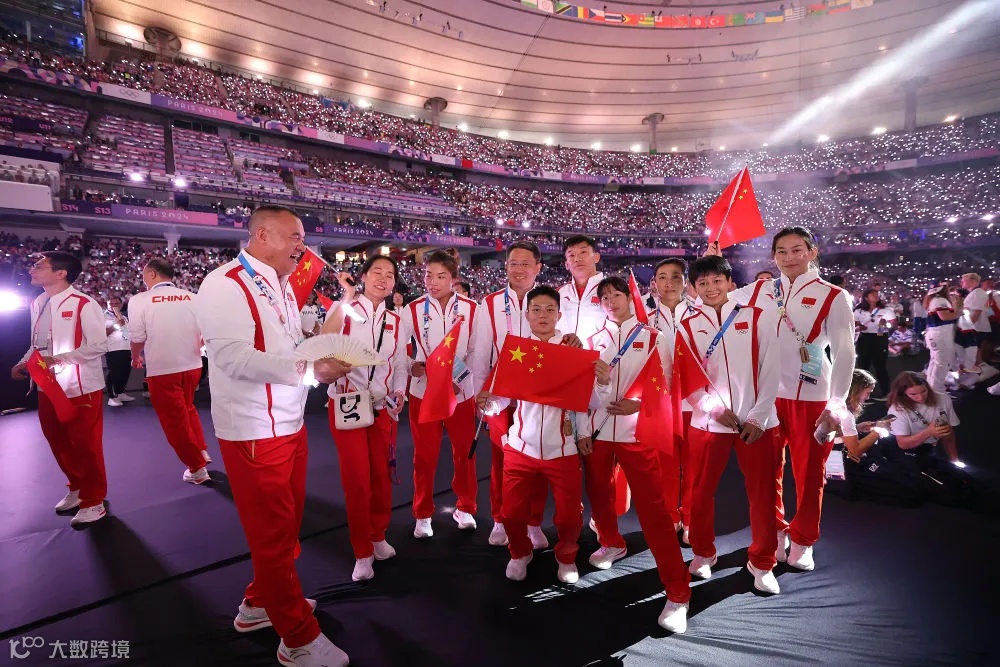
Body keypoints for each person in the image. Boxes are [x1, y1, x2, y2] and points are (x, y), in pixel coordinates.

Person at [195, 205, 352, 667]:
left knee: (284, 530)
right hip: (254, 431)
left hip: (288, 422)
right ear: (262, 235)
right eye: (294, 237)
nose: (302, 246)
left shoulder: (280, 284)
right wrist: (310, 370)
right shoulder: (225, 284)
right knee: (272, 535)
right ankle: (297, 637)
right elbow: (234, 358)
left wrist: (318, 347)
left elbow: (284, 346)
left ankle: (259, 603)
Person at [711, 226, 855, 572]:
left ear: (812, 252)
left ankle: (803, 539)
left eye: (796, 250)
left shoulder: (834, 295)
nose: (789, 257)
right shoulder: (761, 289)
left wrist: (836, 403)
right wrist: (715, 266)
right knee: (766, 471)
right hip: (766, 397)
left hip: (812, 397)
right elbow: (716, 298)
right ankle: (775, 531)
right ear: (773, 256)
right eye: (781, 251)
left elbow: (845, 352)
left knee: (810, 474)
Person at [581, 276, 695, 623]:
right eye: (604, 297)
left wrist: (638, 405)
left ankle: (678, 591)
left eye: (617, 294)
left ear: (631, 297)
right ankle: (611, 542)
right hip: (599, 431)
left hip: (637, 433)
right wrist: (587, 422)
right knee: (599, 493)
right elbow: (583, 394)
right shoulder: (592, 340)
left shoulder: (653, 337)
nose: (611, 301)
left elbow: (668, 387)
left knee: (654, 511)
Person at [679, 257, 782, 594]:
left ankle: (762, 562)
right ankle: (703, 552)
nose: (710, 288)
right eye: (703, 283)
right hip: (709, 423)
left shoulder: (757, 317)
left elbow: (771, 368)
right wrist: (713, 409)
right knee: (700, 491)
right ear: (694, 288)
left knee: (763, 494)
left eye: (716, 281)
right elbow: (686, 379)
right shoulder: (687, 325)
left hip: (757, 422)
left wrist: (758, 416)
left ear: (729, 282)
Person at [322, 255, 407, 582]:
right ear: (364, 277)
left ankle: (378, 535)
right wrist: (345, 299)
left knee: (381, 476)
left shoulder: (396, 319)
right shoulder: (345, 310)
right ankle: (362, 551)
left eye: (390, 274)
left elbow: (399, 365)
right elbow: (323, 342)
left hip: (382, 406)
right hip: (348, 403)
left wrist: (399, 392)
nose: (383, 278)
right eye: (377, 272)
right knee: (357, 480)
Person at [11, 251, 110, 526]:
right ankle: (77, 487)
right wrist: (23, 362)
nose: (32, 269)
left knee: (86, 445)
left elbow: (99, 346)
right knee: (58, 442)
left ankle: (94, 501)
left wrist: (59, 360)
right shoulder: (38, 303)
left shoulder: (84, 303)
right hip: (46, 387)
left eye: (39, 266)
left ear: (61, 273)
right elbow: (37, 343)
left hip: (80, 388)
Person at [469, 240, 550, 548]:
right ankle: (501, 518)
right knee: (501, 459)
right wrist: (480, 394)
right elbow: (480, 354)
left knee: (538, 458)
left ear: (538, 268)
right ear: (505, 266)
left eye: (525, 263)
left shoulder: (548, 300)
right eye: (513, 263)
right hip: (499, 391)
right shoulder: (489, 303)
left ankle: (533, 521)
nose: (519, 269)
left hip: (537, 393)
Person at [399, 250, 479, 538]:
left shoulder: (472, 309)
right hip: (424, 392)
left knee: (465, 453)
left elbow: (477, 352)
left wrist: (462, 382)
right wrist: (411, 366)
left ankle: (466, 507)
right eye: (428, 275)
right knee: (424, 456)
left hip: (460, 394)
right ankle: (422, 513)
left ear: (454, 279)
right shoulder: (411, 309)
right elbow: (398, 351)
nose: (432, 282)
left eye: (441, 276)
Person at [127, 257, 211, 484]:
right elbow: (206, 334)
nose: (143, 279)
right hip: (193, 365)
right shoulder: (193, 298)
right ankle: (200, 450)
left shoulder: (140, 300)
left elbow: (137, 337)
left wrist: (135, 357)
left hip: (163, 369)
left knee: (174, 421)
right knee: (188, 409)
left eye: (144, 275)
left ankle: (197, 468)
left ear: (153, 274)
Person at [645, 258, 695, 539]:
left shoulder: (700, 313)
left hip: (693, 401)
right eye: (662, 277)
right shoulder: (644, 316)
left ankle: (690, 517)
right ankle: (669, 516)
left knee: (693, 464)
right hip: (660, 401)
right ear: (654, 283)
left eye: (676, 277)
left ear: (685, 282)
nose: (669, 283)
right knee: (664, 463)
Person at [828, 370, 924, 506]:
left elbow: (834, 433)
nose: (868, 398)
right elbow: (855, 451)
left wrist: (858, 427)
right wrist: (879, 431)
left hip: (832, 456)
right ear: (856, 391)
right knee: (908, 490)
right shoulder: (846, 415)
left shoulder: (834, 406)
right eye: (867, 393)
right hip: (841, 464)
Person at [886, 372, 973, 503]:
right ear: (903, 393)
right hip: (901, 448)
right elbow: (903, 444)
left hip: (927, 447)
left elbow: (948, 434)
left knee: (956, 474)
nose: (920, 397)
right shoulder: (897, 409)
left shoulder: (943, 399)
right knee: (916, 483)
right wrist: (929, 432)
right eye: (913, 394)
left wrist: (955, 460)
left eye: (923, 391)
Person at [557, 235, 606, 344]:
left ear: (596, 257)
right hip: (563, 353)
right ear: (566, 264)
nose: (577, 259)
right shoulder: (558, 294)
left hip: (600, 354)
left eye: (583, 252)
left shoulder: (613, 292)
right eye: (571, 255)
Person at [853, 288, 895, 396]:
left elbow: (894, 324)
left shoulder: (886, 310)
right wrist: (860, 327)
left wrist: (886, 324)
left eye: (877, 293)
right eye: (873, 294)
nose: (876, 295)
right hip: (864, 338)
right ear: (866, 297)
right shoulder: (859, 310)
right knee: (863, 367)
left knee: (880, 366)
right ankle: (862, 394)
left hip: (880, 338)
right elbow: (855, 324)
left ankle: (886, 393)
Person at [923, 284, 960, 392]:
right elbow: (945, 317)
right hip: (940, 336)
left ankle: (931, 387)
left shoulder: (935, 300)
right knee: (942, 362)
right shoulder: (940, 300)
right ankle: (937, 390)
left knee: (935, 362)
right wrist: (959, 312)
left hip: (937, 335)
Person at [104, 295, 133, 406]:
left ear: (121, 305)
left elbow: (127, 333)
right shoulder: (103, 317)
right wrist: (116, 324)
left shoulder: (124, 317)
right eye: (111, 304)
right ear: (107, 305)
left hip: (126, 348)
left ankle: (120, 392)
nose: (114, 306)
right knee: (114, 373)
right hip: (113, 349)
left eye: (116, 304)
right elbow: (103, 333)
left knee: (125, 372)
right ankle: (112, 397)